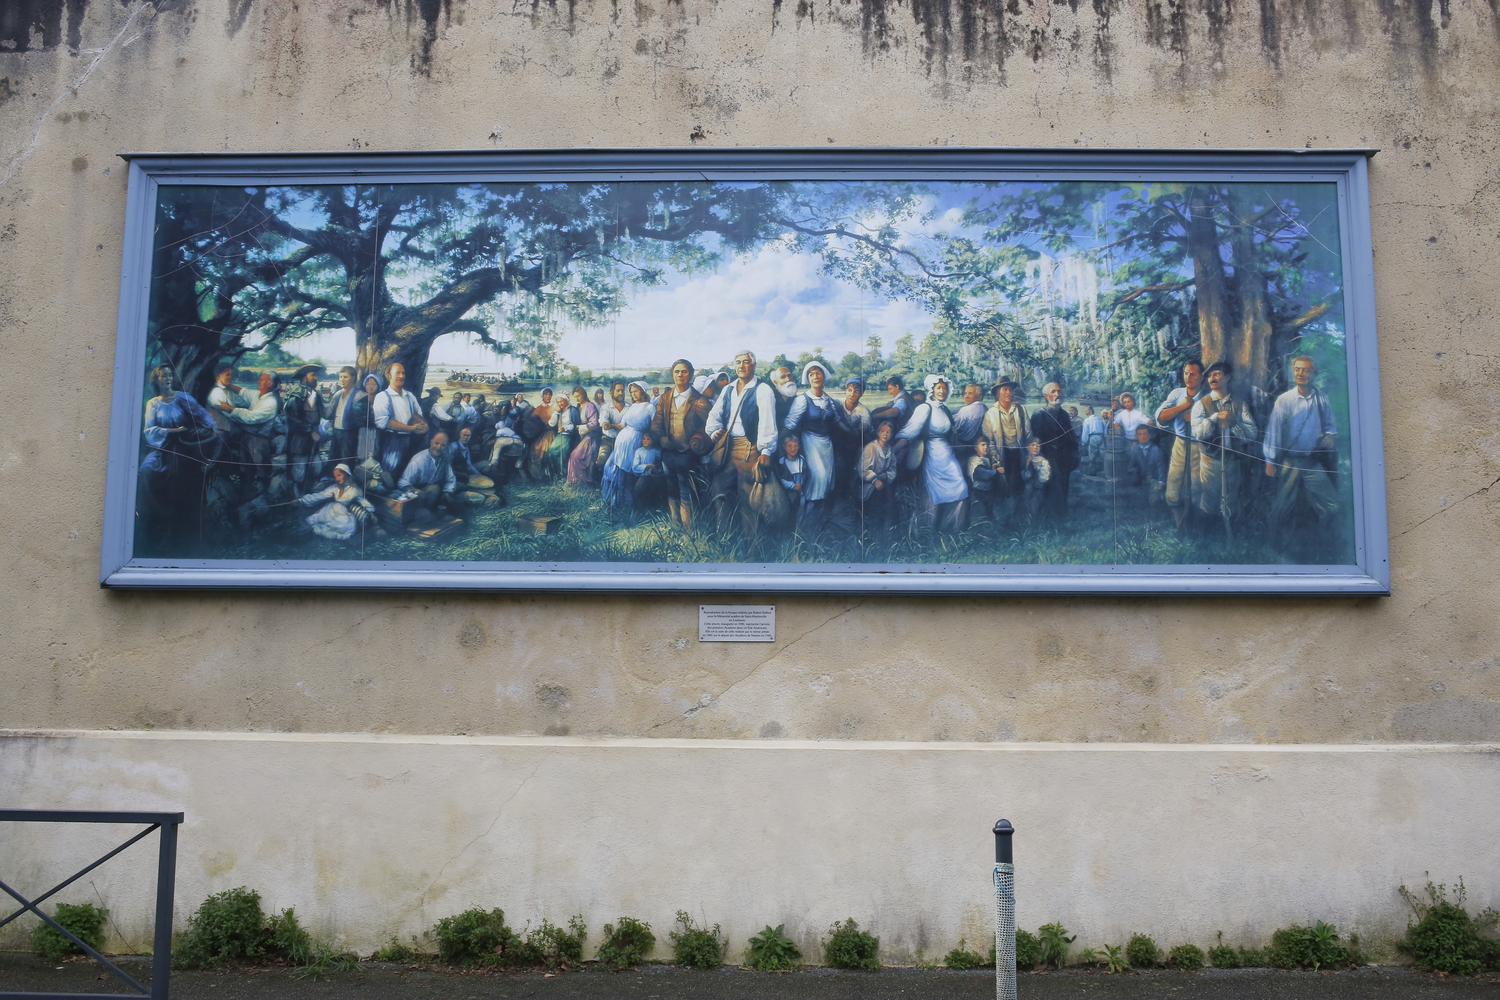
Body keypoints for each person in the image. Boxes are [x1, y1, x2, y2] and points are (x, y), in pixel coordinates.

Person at [139, 364, 218, 549]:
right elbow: (149, 430)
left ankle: (186, 527)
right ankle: (155, 515)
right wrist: (172, 430)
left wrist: (212, 427)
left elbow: (201, 414)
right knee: (146, 470)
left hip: (184, 445)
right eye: (163, 376)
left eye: (169, 375)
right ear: (156, 380)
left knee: (185, 476)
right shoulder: (153, 403)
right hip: (163, 447)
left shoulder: (182, 397)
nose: (167, 379)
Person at [704, 350, 780, 538]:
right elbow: (714, 415)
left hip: (751, 447)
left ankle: (751, 548)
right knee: (719, 492)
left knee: (749, 498)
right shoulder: (729, 388)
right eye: (738, 362)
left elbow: (767, 422)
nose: (741, 366)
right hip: (728, 447)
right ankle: (724, 539)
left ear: (753, 365)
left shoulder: (763, 390)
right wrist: (714, 431)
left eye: (746, 362)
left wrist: (766, 450)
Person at [1263, 355, 1340, 536]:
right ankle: (1274, 546)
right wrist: (1270, 460)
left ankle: (1325, 541)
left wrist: (1330, 436)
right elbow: (1273, 432)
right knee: (1282, 508)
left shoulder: (1322, 399)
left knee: (1332, 505)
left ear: (1314, 373)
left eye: (1305, 370)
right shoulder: (1285, 400)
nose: (1300, 373)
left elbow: (1330, 426)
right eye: (1297, 369)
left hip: (1312, 462)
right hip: (1289, 462)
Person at [1191, 361, 1259, 532]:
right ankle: (1208, 535)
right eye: (1209, 375)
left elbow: (1252, 434)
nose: (1212, 378)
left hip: (1232, 459)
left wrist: (1234, 422)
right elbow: (1198, 434)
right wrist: (1213, 419)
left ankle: (1231, 536)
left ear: (1228, 378)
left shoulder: (1239, 403)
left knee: (1232, 498)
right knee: (1210, 498)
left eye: (1217, 374)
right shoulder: (1201, 404)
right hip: (1211, 459)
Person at [896, 375, 969, 532]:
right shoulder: (925, 408)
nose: (942, 391)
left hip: (947, 453)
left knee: (961, 488)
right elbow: (910, 431)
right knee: (933, 494)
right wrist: (894, 449)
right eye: (939, 388)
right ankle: (928, 530)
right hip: (931, 453)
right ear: (932, 390)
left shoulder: (944, 409)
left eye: (944, 388)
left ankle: (952, 529)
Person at [783, 360, 848, 532]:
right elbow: (790, 423)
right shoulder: (802, 400)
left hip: (826, 445)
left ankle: (819, 525)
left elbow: (837, 421)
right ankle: (806, 527)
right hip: (809, 442)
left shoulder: (829, 400)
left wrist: (857, 432)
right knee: (816, 480)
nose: (815, 376)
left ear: (824, 376)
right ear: (808, 378)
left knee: (826, 482)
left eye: (818, 373)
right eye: (811, 374)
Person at [650, 359, 713, 530]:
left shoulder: (699, 400)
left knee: (687, 491)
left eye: (684, 371)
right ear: (672, 374)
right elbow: (656, 424)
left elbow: (710, 427)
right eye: (677, 371)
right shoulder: (665, 397)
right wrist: (662, 438)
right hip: (668, 453)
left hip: (688, 454)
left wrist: (698, 442)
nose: (680, 375)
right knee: (671, 489)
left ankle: (688, 530)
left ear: (690, 375)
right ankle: (675, 524)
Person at [1156, 360, 1204, 530]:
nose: (1188, 377)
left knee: (1197, 488)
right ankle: (1179, 527)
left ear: (1201, 376)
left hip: (1201, 447)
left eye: (1193, 374)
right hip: (1181, 443)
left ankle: (1196, 529)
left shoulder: (1208, 396)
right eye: (1186, 373)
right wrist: (1183, 407)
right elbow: (1161, 417)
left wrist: (1196, 418)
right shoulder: (1177, 394)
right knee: (1174, 488)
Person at [222, 369, 284, 491]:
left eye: (261, 379)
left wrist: (230, 409)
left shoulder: (270, 402)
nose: (258, 381)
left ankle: (263, 495)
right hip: (247, 437)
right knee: (245, 468)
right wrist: (227, 385)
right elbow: (243, 391)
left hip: (259, 440)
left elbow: (251, 418)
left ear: (269, 383)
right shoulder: (258, 395)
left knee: (261, 468)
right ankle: (246, 493)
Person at [601, 381, 655, 510]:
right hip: (621, 445)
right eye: (631, 392)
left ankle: (628, 505)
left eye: (636, 391)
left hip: (635, 442)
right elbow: (622, 425)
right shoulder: (632, 407)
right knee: (609, 468)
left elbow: (654, 428)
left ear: (642, 391)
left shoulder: (650, 407)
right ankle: (612, 501)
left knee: (627, 474)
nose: (633, 394)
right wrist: (611, 425)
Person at [981, 379, 1029, 522]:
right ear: (998, 392)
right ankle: (1001, 518)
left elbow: (1028, 433)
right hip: (1001, 455)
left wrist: (1028, 453)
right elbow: (988, 438)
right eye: (1005, 390)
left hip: (1018, 453)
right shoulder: (991, 413)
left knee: (1018, 485)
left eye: (1010, 390)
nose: (1008, 393)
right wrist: (994, 455)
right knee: (1001, 485)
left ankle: (1017, 517)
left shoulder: (1020, 410)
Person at [296, 463, 382, 541]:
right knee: (316, 519)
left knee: (345, 526)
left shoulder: (355, 490)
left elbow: (364, 502)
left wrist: (371, 513)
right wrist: (302, 500)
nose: (337, 479)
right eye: (335, 476)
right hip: (330, 510)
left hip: (343, 513)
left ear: (347, 474)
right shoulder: (334, 487)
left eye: (339, 475)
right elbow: (320, 496)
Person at [1029, 382, 1079, 516]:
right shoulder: (1040, 414)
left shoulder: (1064, 414)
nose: (1057, 394)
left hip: (1065, 455)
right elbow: (1036, 439)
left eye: (1059, 391)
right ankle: (1049, 517)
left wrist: (1074, 453)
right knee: (1051, 485)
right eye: (1053, 392)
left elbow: (1071, 436)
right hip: (1048, 455)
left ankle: (1062, 513)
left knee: (1064, 483)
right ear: (1046, 396)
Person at [372, 362, 428, 477]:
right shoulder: (382, 397)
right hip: (393, 441)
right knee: (390, 472)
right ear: (389, 377)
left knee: (409, 471)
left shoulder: (409, 396)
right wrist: (411, 428)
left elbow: (419, 414)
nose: (401, 376)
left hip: (411, 440)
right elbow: (383, 422)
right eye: (398, 373)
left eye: (403, 373)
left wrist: (424, 426)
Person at [833, 376, 873, 502]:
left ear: (861, 393)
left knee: (849, 467)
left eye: (856, 391)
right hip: (837, 440)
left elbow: (864, 426)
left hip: (852, 443)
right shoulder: (837, 403)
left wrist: (857, 429)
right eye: (849, 390)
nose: (852, 394)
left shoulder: (863, 410)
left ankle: (847, 496)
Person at [859, 420, 898, 531]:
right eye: (883, 431)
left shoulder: (890, 450)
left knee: (891, 505)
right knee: (875, 507)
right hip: (869, 485)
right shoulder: (871, 448)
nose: (885, 434)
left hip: (884, 483)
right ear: (878, 432)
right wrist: (875, 480)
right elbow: (862, 470)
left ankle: (888, 531)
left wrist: (887, 475)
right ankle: (872, 531)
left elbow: (892, 469)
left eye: (889, 432)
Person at [566, 386, 601, 487]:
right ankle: (576, 481)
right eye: (575, 397)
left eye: (578, 396)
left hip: (591, 437)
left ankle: (579, 480)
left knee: (575, 456)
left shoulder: (590, 406)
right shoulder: (578, 406)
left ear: (584, 395)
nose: (577, 398)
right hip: (582, 436)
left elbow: (594, 424)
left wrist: (579, 427)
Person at [1126, 424, 1166, 506]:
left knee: (1154, 500)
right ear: (1136, 436)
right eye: (1140, 434)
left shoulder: (1156, 450)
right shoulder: (1135, 451)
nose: (1143, 436)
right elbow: (1132, 467)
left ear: (1149, 435)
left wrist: (1161, 482)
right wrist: (1133, 478)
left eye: (1145, 434)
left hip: (1154, 479)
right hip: (1141, 479)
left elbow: (1161, 467)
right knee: (1138, 500)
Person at [951, 382, 987, 471]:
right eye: (965, 393)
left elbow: (952, 425)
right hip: (974, 448)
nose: (966, 396)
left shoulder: (966, 410)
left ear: (979, 396)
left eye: (970, 393)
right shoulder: (985, 409)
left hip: (962, 447)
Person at [966, 436, 1002, 522]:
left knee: (990, 513)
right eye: (983, 445)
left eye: (987, 445)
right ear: (976, 447)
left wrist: (993, 467)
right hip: (978, 492)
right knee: (979, 514)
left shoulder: (987, 459)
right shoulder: (974, 460)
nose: (986, 447)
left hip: (988, 491)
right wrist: (997, 471)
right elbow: (983, 474)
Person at [775, 433, 808, 525]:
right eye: (789, 446)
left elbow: (805, 475)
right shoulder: (781, 462)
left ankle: (797, 531)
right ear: (784, 447)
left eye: (795, 446)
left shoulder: (802, 460)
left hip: (800, 493)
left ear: (799, 447)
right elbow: (779, 479)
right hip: (787, 494)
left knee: (800, 512)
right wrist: (792, 486)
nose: (793, 449)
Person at [450, 427, 496, 491]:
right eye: (464, 435)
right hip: (454, 473)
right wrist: (459, 474)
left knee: (486, 463)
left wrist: (478, 475)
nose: (466, 437)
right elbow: (447, 466)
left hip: (463, 470)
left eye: (468, 436)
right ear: (460, 435)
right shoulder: (453, 446)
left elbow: (469, 464)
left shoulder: (466, 448)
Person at [630, 431, 667, 510]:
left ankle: (656, 510)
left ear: (653, 441)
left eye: (648, 439)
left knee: (658, 491)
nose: (645, 441)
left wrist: (657, 469)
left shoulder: (657, 452)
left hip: (654, 476)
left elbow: (661, 464)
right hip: (644, 476)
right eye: (644, 439)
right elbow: (635, 467)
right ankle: (641, 510)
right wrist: (647, 466)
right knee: (638, 490)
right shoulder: (639, 451)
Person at [596, 380, 627, 474]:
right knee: (601, 460)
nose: (621, 393)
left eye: (622, 390)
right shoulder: (606, 407)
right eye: (618, 390)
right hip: (608, 439)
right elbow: (604, 421)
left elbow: (627, 425)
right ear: (611, 392)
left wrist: (612, 425)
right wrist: (606, 424)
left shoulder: (630, 407)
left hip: (623, 441)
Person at [1019, 436, 1052, 523]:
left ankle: (1036, 525)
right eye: (1033, 445)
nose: (1035, 448)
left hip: (1038, 489)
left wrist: (1037, 469)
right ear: (1027, 447)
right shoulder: (1025, 460)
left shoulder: (1043, 461)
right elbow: (1024, 476)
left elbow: (1045, 477)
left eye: (1038, 446)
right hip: (1027, 489)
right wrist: (1027, 465)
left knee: (1036, 508)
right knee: (1026, 507)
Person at [1079, 405, 1106, 477]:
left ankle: (1092, 472)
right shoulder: (1100, 418)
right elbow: (1105, 428)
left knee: (1092, 455)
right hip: (1101, 436)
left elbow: (1085, 432)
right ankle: (1105, 470)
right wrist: (1104, 436)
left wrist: (1083, 442)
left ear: (1090, 411)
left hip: (1093, 437)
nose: (1085, 412)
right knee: (1103, 454)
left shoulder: (1087, 420)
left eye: (1086, 411)